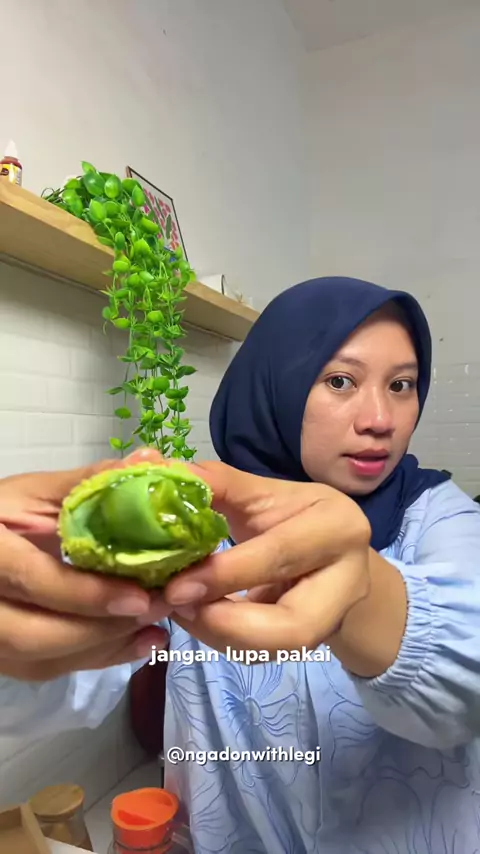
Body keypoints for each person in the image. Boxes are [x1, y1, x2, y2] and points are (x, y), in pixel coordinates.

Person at [1, 276, 480, 853]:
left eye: (402, 385)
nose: (381, 418)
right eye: (340, 381)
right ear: (274, 383)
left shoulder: (441, 514)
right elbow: (54, 688)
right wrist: (25, 614)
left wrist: (362, 593)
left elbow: (467, 693)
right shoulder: (184, 525)